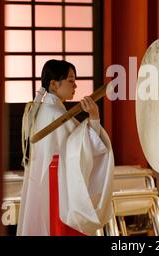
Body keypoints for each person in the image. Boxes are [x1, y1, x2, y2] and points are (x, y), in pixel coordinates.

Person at [17, 59, 114, 236]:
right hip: (55, 185)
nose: (75, 85)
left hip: (44, 182)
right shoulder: (54, 114)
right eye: (70, 80)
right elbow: (82, 146)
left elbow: (75, 142)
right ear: (54, 84)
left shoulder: (42, 110)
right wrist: (94, 118)